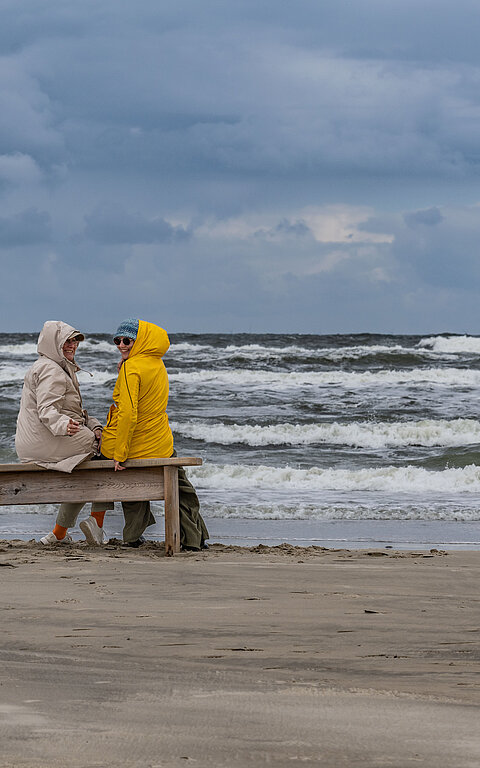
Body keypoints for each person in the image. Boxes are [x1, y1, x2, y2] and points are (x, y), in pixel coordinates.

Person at [100, 318, 209, 550]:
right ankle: (194, 538)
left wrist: (120, 452)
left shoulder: (132, 368)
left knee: (128, 477)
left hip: (136, 444)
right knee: (181, 487)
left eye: (127, 340)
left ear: (139, 341)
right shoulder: (157, 362)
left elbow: (128, 414)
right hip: (160, 442)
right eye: (117, 341)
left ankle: (132, 535)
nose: (121, 345)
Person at [15, 320, 109, 546]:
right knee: (107, 450)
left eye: (75, 340)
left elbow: (72, 412)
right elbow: (47, 409)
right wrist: (62, 425)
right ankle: (96, 524)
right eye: (66, 341)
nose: (72, 345)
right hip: (46, 440)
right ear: (53, 343)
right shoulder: (52, 370)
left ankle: (58, 534)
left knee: (85, 466)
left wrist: (94, 426)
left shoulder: (50, 365)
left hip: (35, 440)